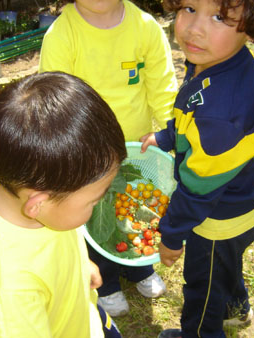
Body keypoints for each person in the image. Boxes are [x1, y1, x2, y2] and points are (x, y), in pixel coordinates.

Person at [139, 0, 254, 337]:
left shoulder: (221, 112)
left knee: (202, 289)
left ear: (250, 27)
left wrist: (173, 234)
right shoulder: (219, 60)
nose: (194, 29)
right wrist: (168, 135)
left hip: (217, 222)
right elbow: (191, 115)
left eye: (219, 17)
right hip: (243, 199)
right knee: (226, 268)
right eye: (189, 9)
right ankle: (236, 309)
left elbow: (197, 189)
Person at [39, 0, 178, 316]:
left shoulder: (144, 27)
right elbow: (55, 99)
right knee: (96, 219)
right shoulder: (62, 35)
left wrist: (175, 131)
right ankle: (107, 281)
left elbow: (162, 86)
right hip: (88, 155)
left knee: (135, 208)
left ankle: (137, 267)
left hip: (137, 148)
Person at [0, 71, 127, 338]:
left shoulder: (24, 189)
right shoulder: (13, 289)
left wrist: (80, 266)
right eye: (93, 200)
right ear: (37, 205)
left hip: (85, 314)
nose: (99, 204)